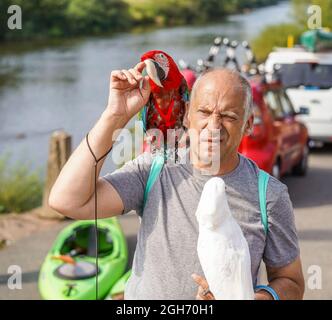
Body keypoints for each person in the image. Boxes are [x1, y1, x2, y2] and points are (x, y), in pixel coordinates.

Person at [49, 61, 305, 300]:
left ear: (248, 124)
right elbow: (66, 201)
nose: (213, 126)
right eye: (204, 112)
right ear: (186, 116)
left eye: (228, 116)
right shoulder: (154, 169)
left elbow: (290, 282)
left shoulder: (268, 194)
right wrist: (115, 115)